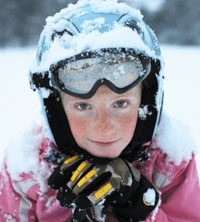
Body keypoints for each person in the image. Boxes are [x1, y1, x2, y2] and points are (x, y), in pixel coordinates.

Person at [0, 0, 200, 221]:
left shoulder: (169, 162)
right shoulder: (28, 170)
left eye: (120, 104)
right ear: (56, 110)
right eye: (83, 106)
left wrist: (142, 207)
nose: (105, 129)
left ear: (145, 104)